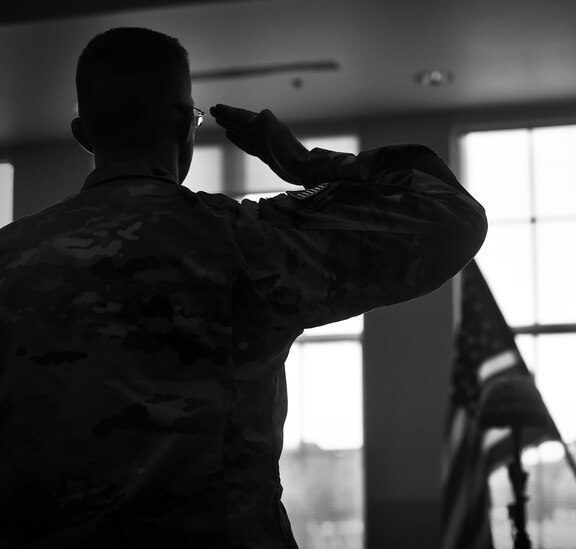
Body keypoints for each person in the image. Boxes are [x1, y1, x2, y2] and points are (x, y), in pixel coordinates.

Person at [0, 27, 486, 548]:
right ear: (180, 124)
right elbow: (450, 215)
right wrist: (306, 163)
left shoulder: (9, 258)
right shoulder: (240, 240)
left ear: (83, 134)